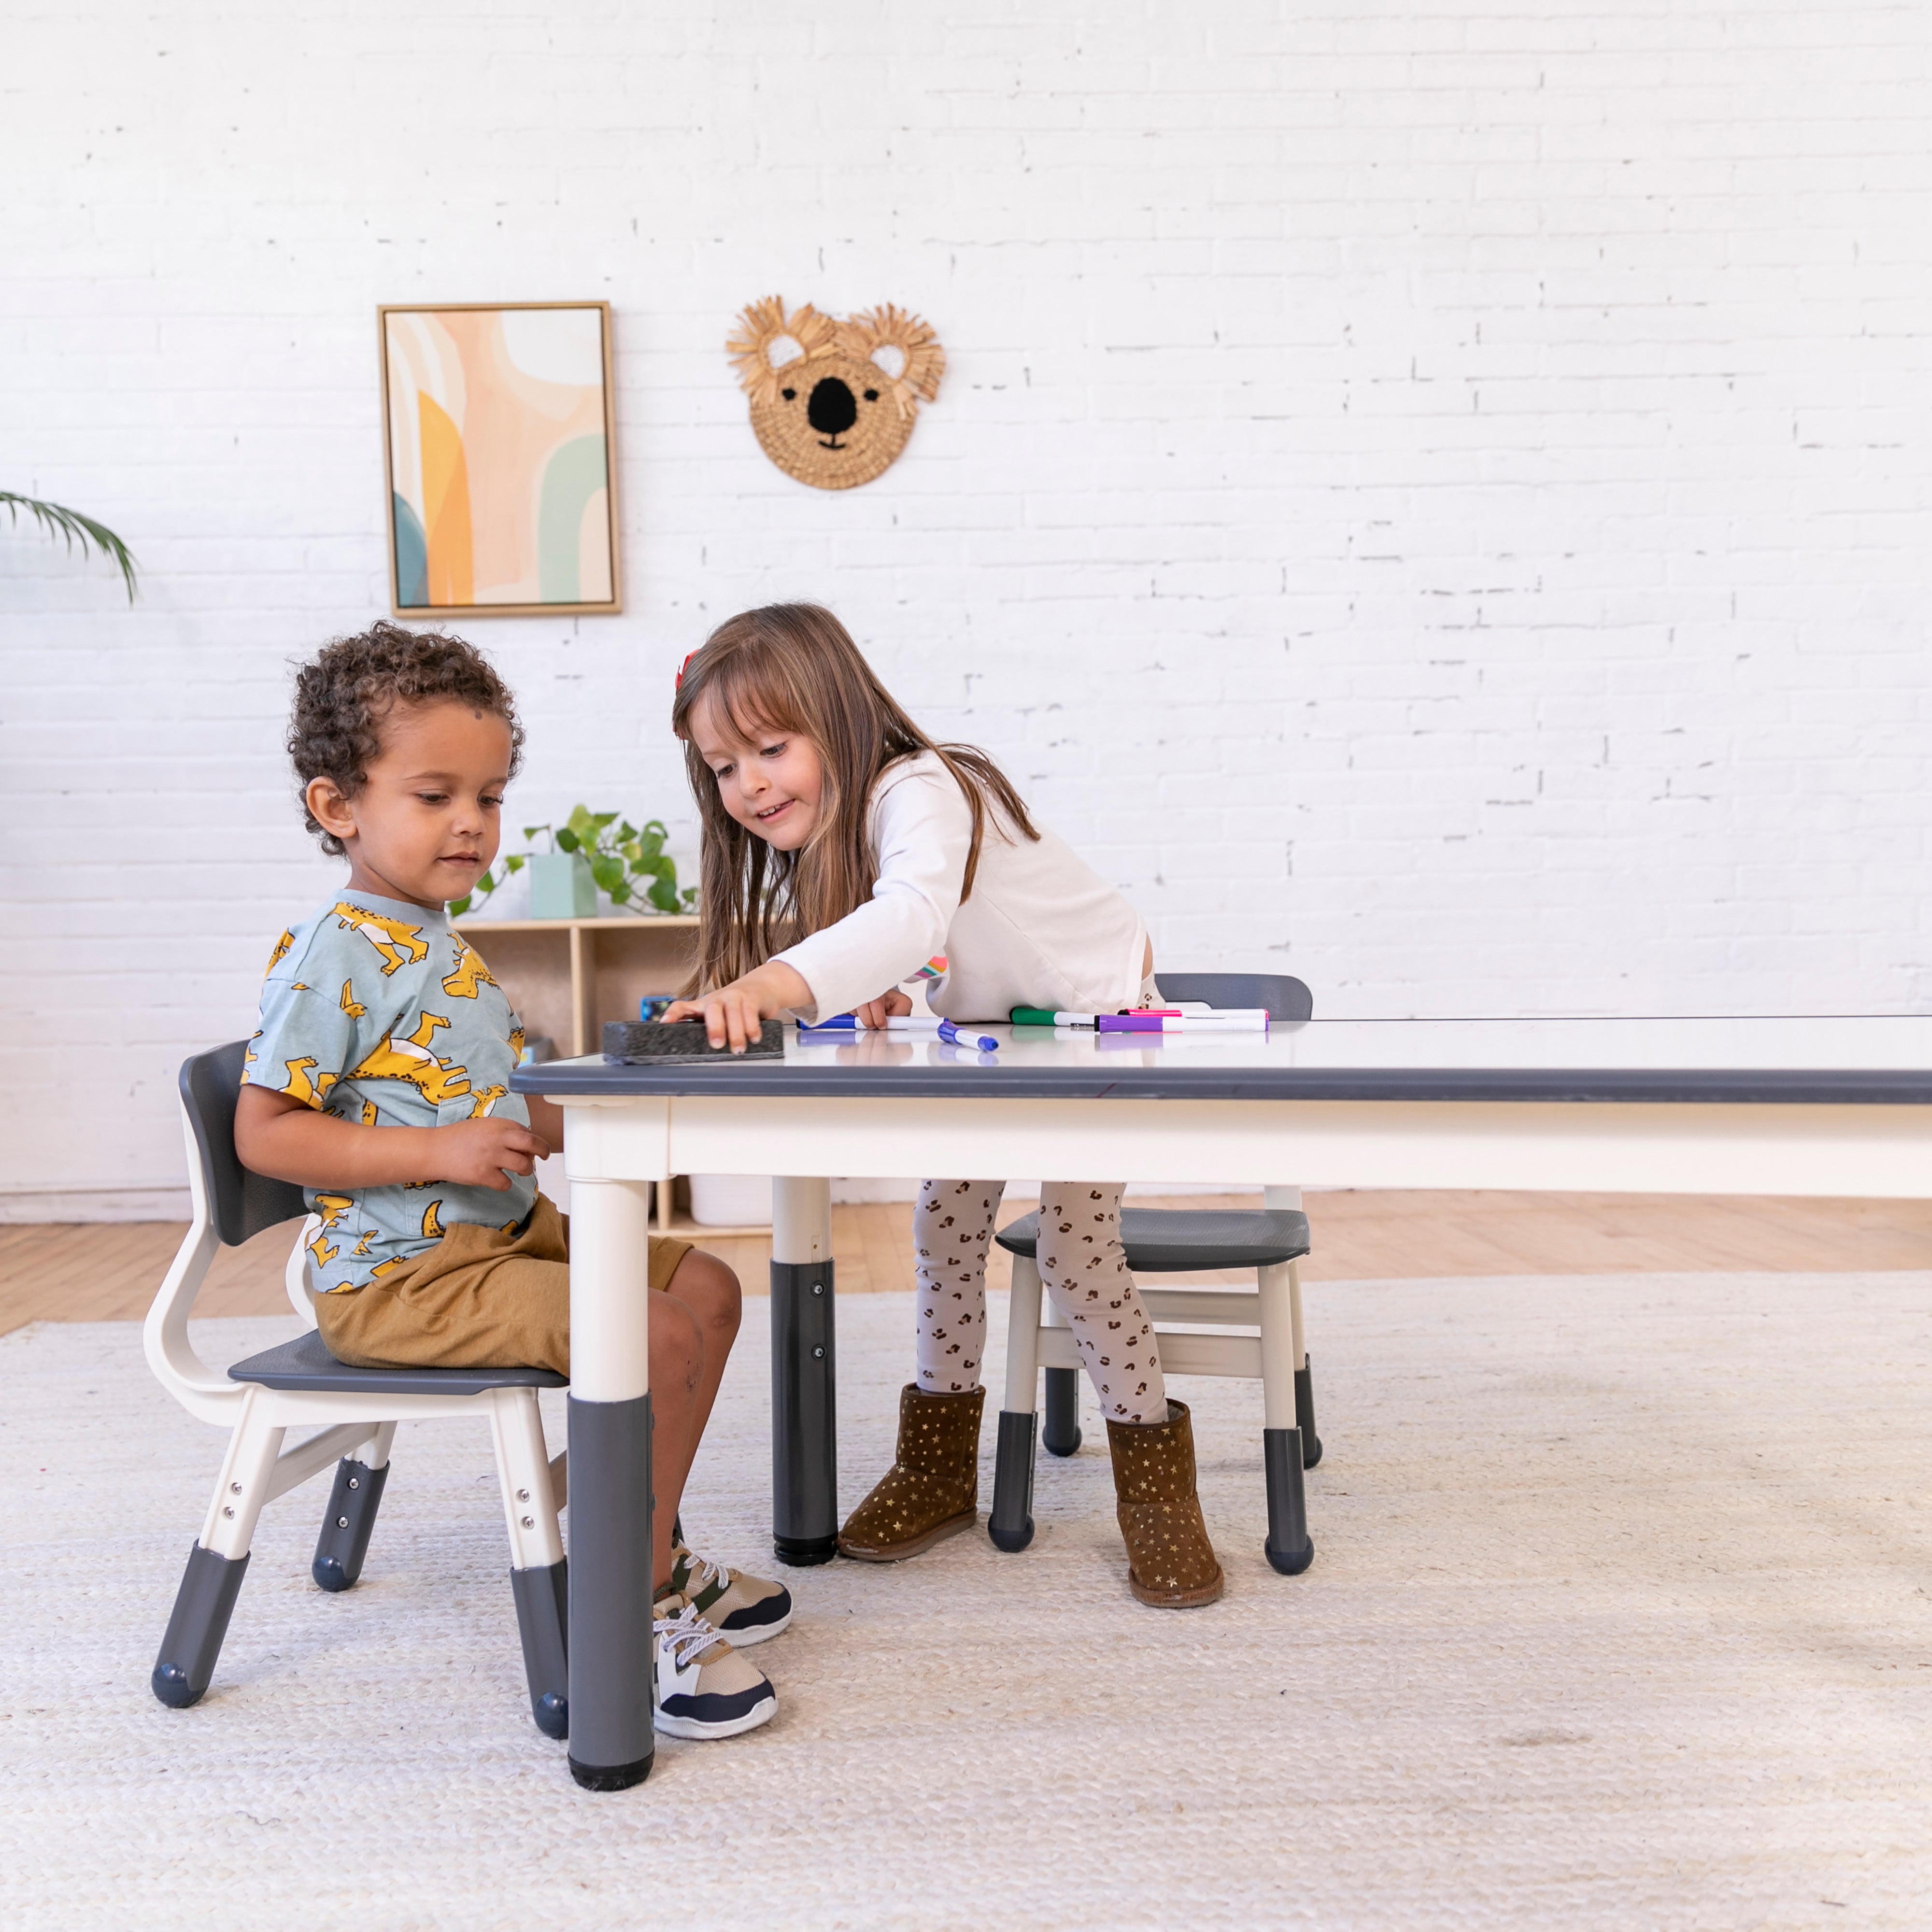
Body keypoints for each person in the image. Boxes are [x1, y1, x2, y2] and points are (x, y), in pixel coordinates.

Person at [233, 620, 791, 1739]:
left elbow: (483, 1097)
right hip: (401, 1273)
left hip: (501, 1233)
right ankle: (620, 1601)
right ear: (337, 806)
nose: (471, 823)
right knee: (657, 1334)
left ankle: (649, 1545)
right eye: (434, 794)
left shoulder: (441, 940)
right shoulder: (333, 948)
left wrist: (571, 1091)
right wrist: (436, 1151)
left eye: (486, 796)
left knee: (712, 1292)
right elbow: (267, 1131)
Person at [664, 603, 1222, 1608]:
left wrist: (774, 986)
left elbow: (915, 906)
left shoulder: (922, 784)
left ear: (835, 713)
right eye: (720, 765)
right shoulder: (854, 818)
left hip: (1091, 1016)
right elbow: (920, 933)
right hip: (1004, 1032)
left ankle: (1154, 1486)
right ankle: (934, 1467)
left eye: (768, 748)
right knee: (943, 1215)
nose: (745, 783)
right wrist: (870, 981)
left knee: (1072, 1245)